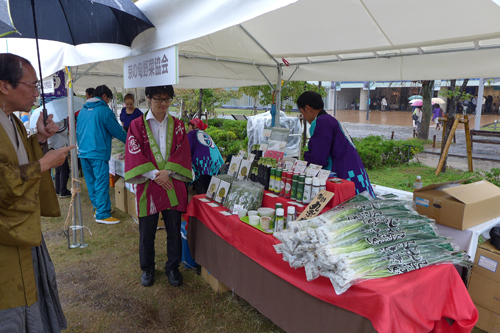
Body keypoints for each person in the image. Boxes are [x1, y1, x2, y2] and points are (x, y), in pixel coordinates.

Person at [0, 53, 74, 332]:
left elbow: (19, 160)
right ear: (5, 86)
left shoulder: (14, 121)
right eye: (31, 85)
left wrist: (40, 139)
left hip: (22, 226)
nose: (36, 93)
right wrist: (43, 164)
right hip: (6, 234)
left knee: (32, 291)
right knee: (10, 301)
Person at [124, 85, 193, 288]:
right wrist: (155, 174)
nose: (163, 103)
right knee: (147, 231)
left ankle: (172, 267)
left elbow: (183, 151)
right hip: (149, 184)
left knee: (173, 229)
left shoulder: (178, 125)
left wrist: (168, 172)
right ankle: (148, 268)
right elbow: (133, 151)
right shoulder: (137, 125)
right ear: (148, 99)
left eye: (167, 99)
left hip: (172, 183)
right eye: (158, 99)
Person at [297, 91, 374, 196]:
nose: (304, 117)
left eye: (303, 113)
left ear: (307, 108)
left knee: (351, 205)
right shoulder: (330, 120)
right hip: (354, 171)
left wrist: (302, 169)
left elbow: (318, 156)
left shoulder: (323, 122)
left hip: (343, 173)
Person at [76, 85, 127, 224]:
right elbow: (117, 131)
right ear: (104, 96)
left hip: (83, 152)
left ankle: (97, 208)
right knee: (101, 182)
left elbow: (77, 131)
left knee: (92, 182)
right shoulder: (104, 111)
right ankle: (102, 214)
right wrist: (131, 141)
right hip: (98, 152)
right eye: (109, 99)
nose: (108, 102)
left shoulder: (82, 111)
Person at [187, 118, 224, 194]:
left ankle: (201, 200)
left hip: (202, 162)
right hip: (214, 162)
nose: (188, 128)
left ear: (194, 126)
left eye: (189, 126)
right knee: (208, 186)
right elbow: (215, 149)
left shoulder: (192, 134)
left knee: (201, 187)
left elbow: (187, 148)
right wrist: (221, 163)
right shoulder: (206, 134)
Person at [48, 119, 71, 198]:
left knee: (59, 170)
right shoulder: (55, 120)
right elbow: (51, 135)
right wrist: (51, 147)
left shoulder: (58, 119)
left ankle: (58, 189)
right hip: (59, 147)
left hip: (58, 146)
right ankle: (62, 191)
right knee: (64, 170)